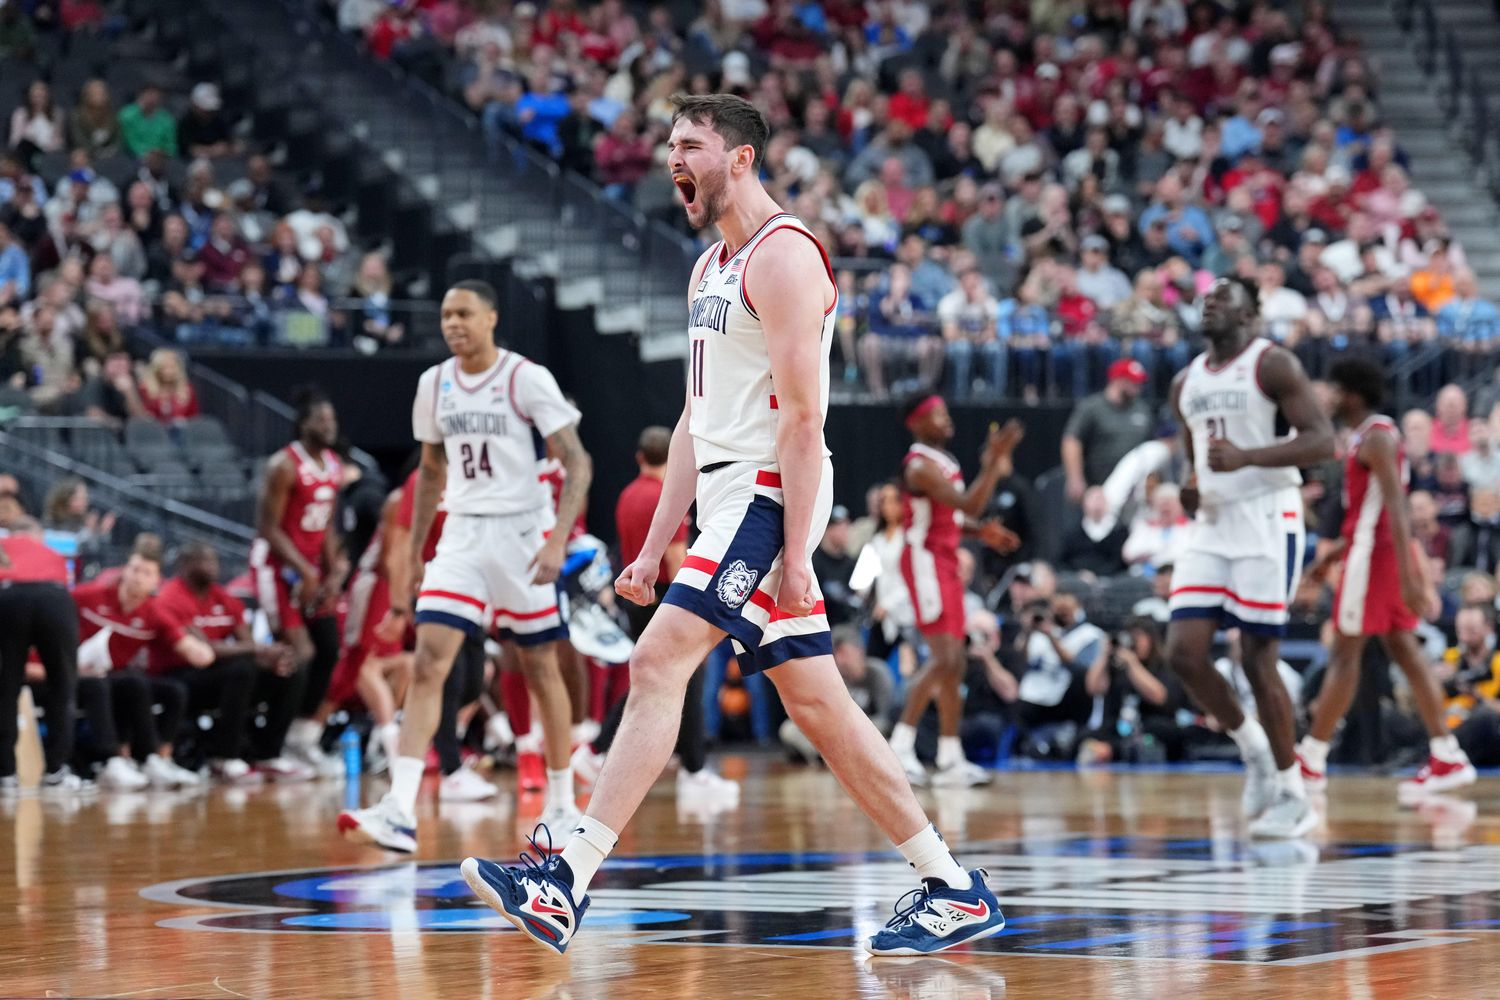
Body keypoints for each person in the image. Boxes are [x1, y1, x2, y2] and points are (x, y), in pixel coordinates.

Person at [461, 94, 1004, 958]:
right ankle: (951, 885)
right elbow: (691, 418)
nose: (671, 160)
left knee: (657, 658)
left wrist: (793, 551)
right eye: (668, 146)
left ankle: (566, 880)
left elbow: (801, 419)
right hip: (725, 490)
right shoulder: (709, 264)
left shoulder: (786, 257)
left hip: (768, 493)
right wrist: (647, 549)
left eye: (689, 145)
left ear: (740, 158)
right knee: (820, 705)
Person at [339, 279, 591, 853]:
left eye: (464, 313)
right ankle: (400, 808)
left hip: (522, 533)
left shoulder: (524, 377)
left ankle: (560, 802)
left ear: (491, 318)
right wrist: (420, 552)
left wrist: (555, 539)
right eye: (447, 315)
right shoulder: (434, 384)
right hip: (461, 533)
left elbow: (577, 461)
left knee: (539, 666)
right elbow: (430, 471)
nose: (453, 323)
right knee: (429, 661)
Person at [1166, 278, 1335, 839]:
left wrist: (1248, 457)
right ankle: (1255, 749)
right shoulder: (1185, 382)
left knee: (1255, 657)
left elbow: (1321, 440)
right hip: (1212, 521)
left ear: (1250, 313)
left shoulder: (1274, 364)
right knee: (1183, 654)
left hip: (1267, 514)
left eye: (1224, 296)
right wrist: (1192, 487)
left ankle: (1294, 792)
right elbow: (1196, 458)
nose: (1210, 300)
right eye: (1206, 295)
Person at [1296, 359, 1476, 798]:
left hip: (1374, 561)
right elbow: (1366, 515)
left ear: (1353, 393)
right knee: (1405, 652)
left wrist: (1412, 574)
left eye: (1334, 389)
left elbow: (1396, 508)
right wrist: (1328, 559)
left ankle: (1310, 760)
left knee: (1344, 654)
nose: (1328, 397)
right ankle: (1446, 753)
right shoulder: (1366, 436)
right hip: (1367, 554)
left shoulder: (1376, 436)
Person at [573, 425, 738, 801]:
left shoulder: (627, 495)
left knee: (656, 679)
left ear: (639, 458)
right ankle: (692, 771)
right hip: (668, 593)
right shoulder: (668, 497)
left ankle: (602, 751)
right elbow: (677, 558)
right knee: (687, 680)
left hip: (637, 597)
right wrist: (699, 605)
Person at [887, 395, 1022, 787]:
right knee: (944, 658)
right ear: (916, 423)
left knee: (956, 662)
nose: (947, 420)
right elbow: (970, 502)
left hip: (944, 559)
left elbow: (957, 516)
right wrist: (994, 464)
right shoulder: (919, 467)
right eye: (937, 415)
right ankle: (900, 745)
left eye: (946, 413)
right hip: (924, 561)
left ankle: (949, 757)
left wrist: (982, 533)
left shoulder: (945, 463)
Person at [251, 390, 348, 778]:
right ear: (304, 424)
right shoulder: (284, 466)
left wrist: (333, 571)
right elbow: (267, 527)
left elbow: (325, 526)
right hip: (276, 568)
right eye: (322, 420)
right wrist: (305, 573)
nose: (330, 426)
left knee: (329, 647)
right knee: (300, 653)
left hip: (309, 569)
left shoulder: (334, 466)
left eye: (332, 420)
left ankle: (302, 736)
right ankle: (269, 748)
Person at [71, 549, 214, 789]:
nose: (138, 577)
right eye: (135, 569)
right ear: (124, 571)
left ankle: (157, 759)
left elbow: (193, 650)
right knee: (123, 683)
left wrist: (201, 649)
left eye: (146, 573)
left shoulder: (155, 612)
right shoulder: (88, 596)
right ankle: (112, 761)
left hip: (116, 676)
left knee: (172, 690)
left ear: (155, 582)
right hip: (78, 673)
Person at [150, 542, 291, 784]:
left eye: (214, 561)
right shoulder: (170, 597)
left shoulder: (222, 596)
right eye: (204, 561)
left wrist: (271, 660)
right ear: (185, 566)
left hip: (219, 673)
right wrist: (258, 649)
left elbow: (246, 642)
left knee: (286, 671)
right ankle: (224, 757)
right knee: (241, 671)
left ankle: (268, 754)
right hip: (178, 673)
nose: (212, 567)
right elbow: (205, 650)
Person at [0, 520, 85, 795]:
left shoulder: (3, 547)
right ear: (38, 536)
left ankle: (5, 775)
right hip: (54, 597)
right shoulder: (54, 556)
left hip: (8, 596)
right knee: (62, 686)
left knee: (5, 689)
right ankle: (56, 772)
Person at [1061, 358, 1154, 503]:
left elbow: (1151, 448)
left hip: (1134, 491)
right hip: (1098, 488)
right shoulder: (1092, 408)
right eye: (1134, 382)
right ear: (1118, 380)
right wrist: (1075, 477)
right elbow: (1072, 440)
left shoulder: (1143, 409)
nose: (1138, 387)